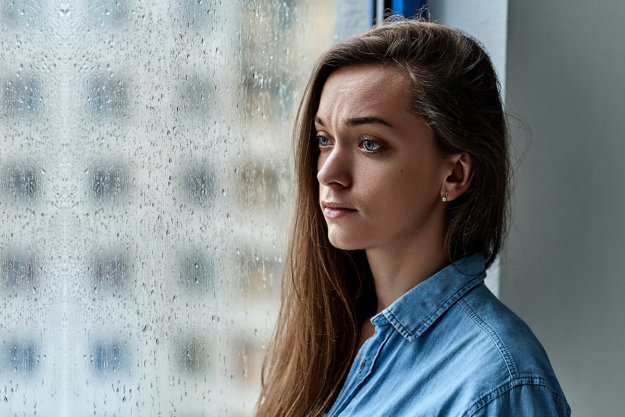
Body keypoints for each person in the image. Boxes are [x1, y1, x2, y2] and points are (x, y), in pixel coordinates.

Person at [256, 19, 570, 417]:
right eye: (324, 140)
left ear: (454, 174)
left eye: (369, 143)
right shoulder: (324, 335)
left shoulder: (499, 383)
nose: (326, 173)